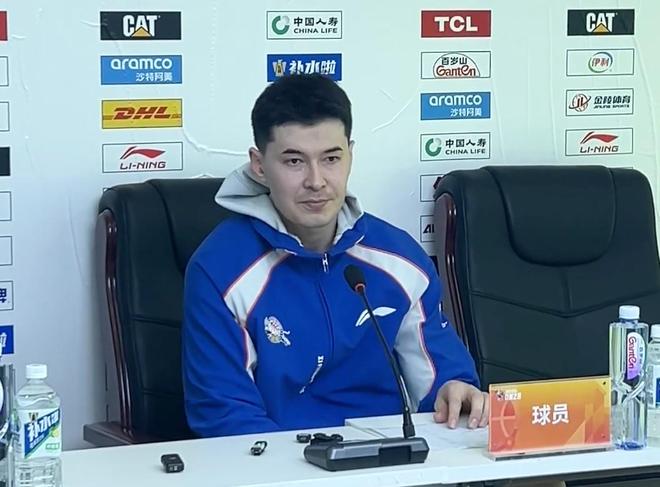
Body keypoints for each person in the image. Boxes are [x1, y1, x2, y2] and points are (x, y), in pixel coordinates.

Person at [182, 73, 487, 438]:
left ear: (350, 155)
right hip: (277, 461)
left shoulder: (399, 257)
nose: (316, 181)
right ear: (259, 166)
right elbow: (225, 417)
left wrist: (455, 390)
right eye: (294, 162)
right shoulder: (220, 269)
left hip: (392, 457)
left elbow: (440, 378)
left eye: (330, 158)